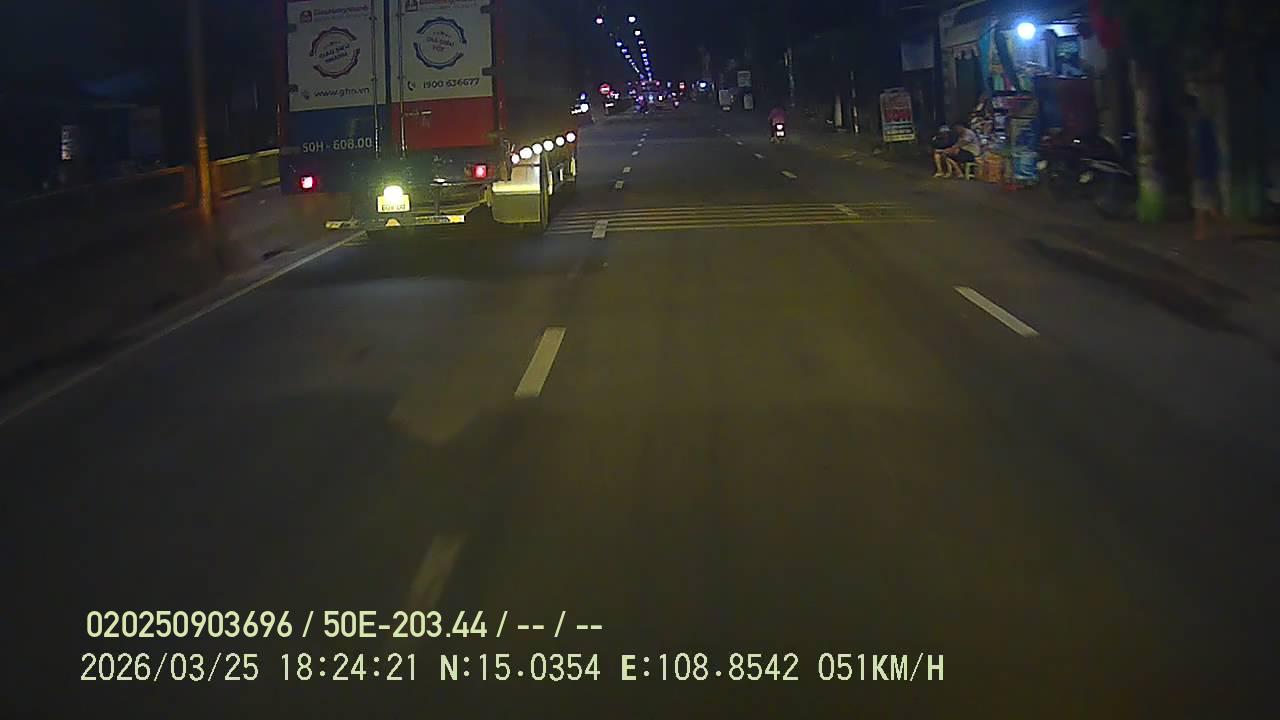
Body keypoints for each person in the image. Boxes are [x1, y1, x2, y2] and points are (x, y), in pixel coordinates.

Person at [1186, 93, 1222, 241]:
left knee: (1205, 205)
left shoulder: (1199, 124)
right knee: (1201, 204)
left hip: (1203, 170)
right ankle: (1201, 232)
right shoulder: (1201, 123)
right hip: (1204, 170)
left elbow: (1198, 149)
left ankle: (1222, 230)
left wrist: (1192, 165)